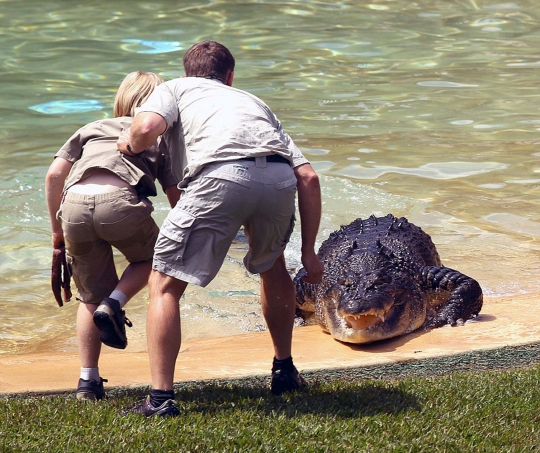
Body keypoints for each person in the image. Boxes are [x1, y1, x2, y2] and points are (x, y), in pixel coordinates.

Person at [118, 41, 324, 417]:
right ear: (230, 76)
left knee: (163, 283)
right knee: (272, 266)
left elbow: (146, 126)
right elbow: (307, 177)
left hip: (221, 175)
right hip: (278, 178)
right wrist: (309, 251)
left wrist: (130, 144)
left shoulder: (175, 89)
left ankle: (161, 400)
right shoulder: (252, 101)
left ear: (186, 73)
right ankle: (284, 371)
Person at [45, 71, 181, 401]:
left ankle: (88, 383)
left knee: (88, 295)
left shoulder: (92, 128)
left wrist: (57, 235)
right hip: (120, 203)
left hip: (73, 204)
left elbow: (53, 176)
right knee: (157, 260)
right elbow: (175, 193)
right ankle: (115, 304)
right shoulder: (158, 137)